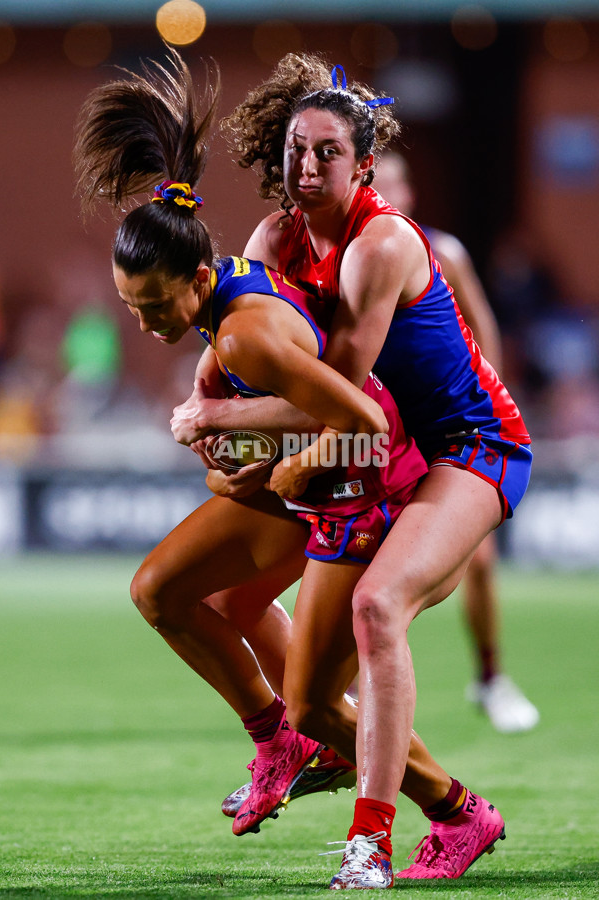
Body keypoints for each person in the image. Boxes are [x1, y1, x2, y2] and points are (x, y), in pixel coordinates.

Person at [72, 52, 501, 886]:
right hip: (333, 458)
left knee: (347, 655)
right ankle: (284, 743)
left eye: (154, 304)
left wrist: (226, 424)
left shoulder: (364, 254)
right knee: (168, 592)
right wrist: (224, 431)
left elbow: (356, 409)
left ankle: (430, 817)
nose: (146, 321)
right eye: (131, 306)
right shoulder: (263, 249)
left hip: (380, 466)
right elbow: (284, 383)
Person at [196, 52, 531, 887]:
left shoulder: (381, 242)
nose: (306, 166)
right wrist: (216, 408)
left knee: (379, 608)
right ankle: (455, 812)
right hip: (379, 451)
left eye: (327, 152)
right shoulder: (274, 237)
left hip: (469, 445)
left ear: (365, 164)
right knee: (309, 701)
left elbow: (338, 395)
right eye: (295, 151)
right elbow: (260, 364)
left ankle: (369, 843)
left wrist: (223, 423)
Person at [372, 149, 539, 734]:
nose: (382, 196)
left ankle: (491, 676)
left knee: (479, 561)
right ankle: (351, 693)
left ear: (410, 194)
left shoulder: (440, 251)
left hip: (452, 432)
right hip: (387, 435)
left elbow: (482, 324)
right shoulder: (352, 257)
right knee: (366, 562)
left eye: (391, 186)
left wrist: (484, 402)